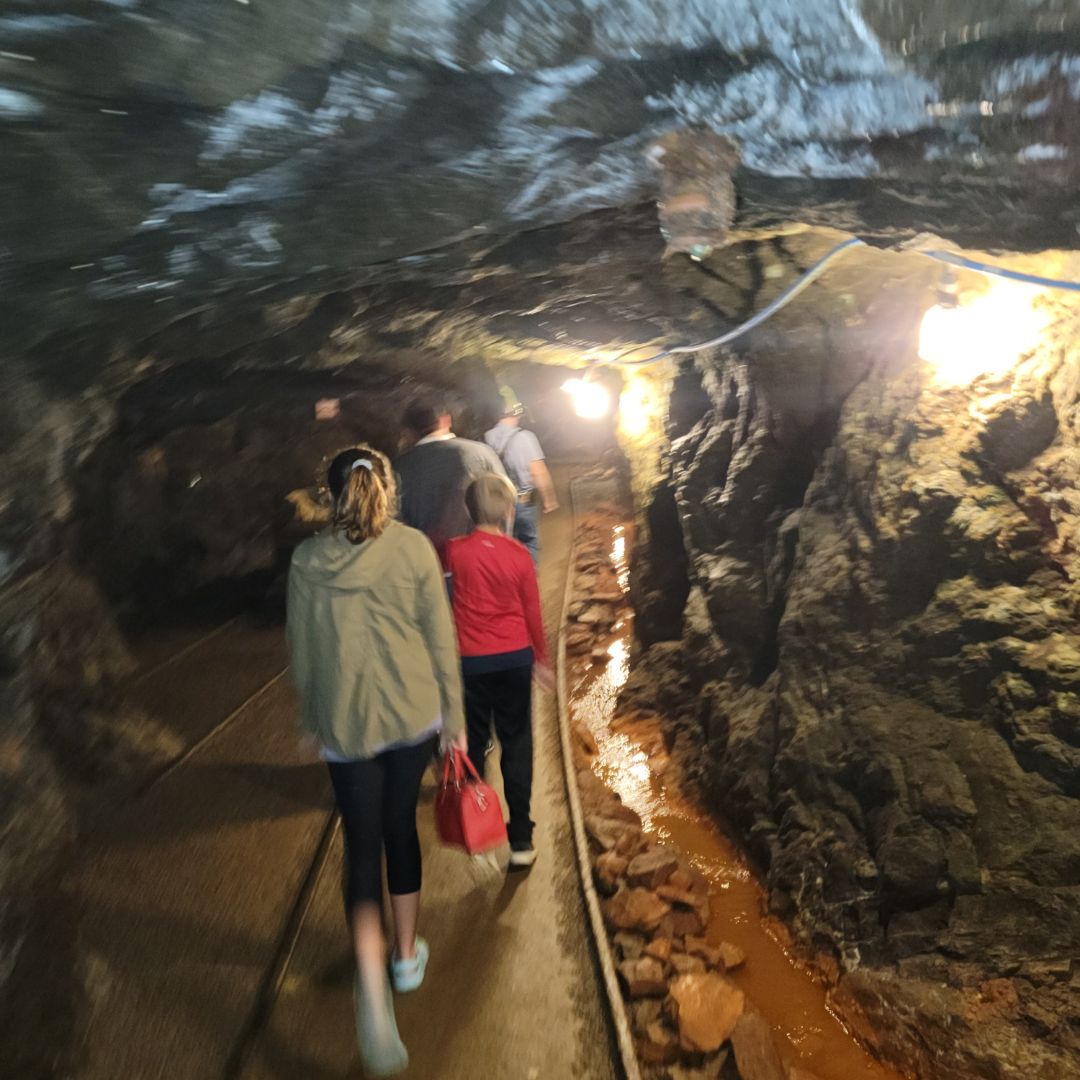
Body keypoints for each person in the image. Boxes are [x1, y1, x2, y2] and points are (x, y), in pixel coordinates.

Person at [286, 446, 466, 1078]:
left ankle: (370, 984)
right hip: (411, 716)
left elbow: (302, 652)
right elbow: (440, 640)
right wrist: (455, 725)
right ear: (387, 489)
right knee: (400, 830)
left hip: (346, 724)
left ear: (331, 494)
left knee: (361, 849)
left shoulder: (308, 561)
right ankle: (405, 957)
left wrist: (312, 720)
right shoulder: (413, 548)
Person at [444, 474, 555, 869]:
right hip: (514, 660)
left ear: (468, 510)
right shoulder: (519, 555)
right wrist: (541, 660)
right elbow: (532, 612)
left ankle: (477, 829)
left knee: (475, 744)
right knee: (517, 743)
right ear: (509, 510)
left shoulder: (453, 552)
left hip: (471, 664)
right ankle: (521, 839)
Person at [394, 397, 506, 561]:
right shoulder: (481, 453)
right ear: (446, 420)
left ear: (409, 431)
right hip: (477, 560)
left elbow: (394, 519)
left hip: (425, 561)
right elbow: (504, 504)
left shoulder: (398, 467)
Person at [483, 388, 558, 565]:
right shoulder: (525, 437)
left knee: (503, 545)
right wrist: (549, 498)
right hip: (522, 503)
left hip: (498, 504)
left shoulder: (487, 437)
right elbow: (537, 471)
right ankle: (528, 577)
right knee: (528, 542)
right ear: (515, 413)